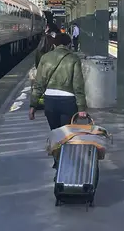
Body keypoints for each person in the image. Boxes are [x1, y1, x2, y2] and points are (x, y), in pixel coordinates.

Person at [28, 33, 87, 168]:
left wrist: (33, 105)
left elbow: (39, 83)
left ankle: (57, 162)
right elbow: (78, 85)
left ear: (54, 44)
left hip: (50, 101)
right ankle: (65, 164)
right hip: (68, 101)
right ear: (68, 45)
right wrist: (82, 108)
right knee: (66, 134)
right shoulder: (73, 58)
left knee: (55, 132)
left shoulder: (45, 58)